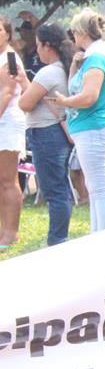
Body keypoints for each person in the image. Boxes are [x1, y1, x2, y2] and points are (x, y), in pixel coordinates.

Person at [54, 8, 105, 233]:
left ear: (81, 33)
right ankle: (97, 232)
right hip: (89, 127)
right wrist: (73, 67)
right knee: (95, 185)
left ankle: (102, 234)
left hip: (94, 127)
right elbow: (76, 87)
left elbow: (89, 96)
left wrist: (65, 102)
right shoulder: (92, 58)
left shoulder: (97, 58)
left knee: (99, 188)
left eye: (74, 32)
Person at [16, 23, 74, 246]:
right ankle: (59, 237)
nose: (36, 49)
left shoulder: (49, 71)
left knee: (54, 191)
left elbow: (25, 102)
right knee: (60, 187)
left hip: (46, 134)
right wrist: (23, 81)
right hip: (55, 133)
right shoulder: (64, 68)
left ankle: (57, 240)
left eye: (38, 44)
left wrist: (26, 90)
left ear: (47, 46)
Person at [0, 15, 27, 249]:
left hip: (7, 122)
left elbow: (7, 93)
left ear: (7, 33)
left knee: (8, 180)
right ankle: (3, 229)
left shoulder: (9, 59)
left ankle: (12, 233)